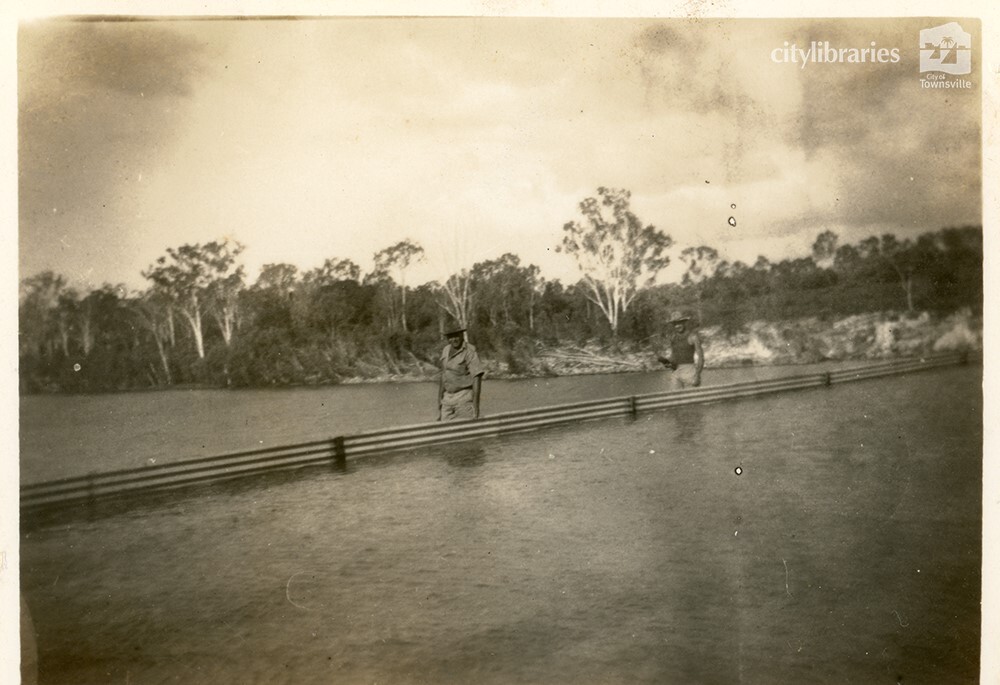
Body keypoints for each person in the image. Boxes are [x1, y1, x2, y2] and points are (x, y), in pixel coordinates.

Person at [438, 324, 484, 421]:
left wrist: (475, 406)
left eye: (456, 336)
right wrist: (439, 399)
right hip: (447, 399)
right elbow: (444, 375)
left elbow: (477, 378)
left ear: (462, 335)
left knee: (466, 431)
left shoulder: (469, 352)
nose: (454, 339)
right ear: (447, 338)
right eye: (450, 337)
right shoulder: (445, 350)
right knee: (445, 432)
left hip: (464, 398)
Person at [657, 311, 704, 389]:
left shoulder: (692, 337)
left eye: (680, 323)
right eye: (675, 324)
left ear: (684, 323)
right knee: (675, 398)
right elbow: (674, 355)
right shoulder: (673, 338)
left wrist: (697, 375)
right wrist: (668, 363)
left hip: (689, 371)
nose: (677, 326)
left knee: (692, 398)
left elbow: (701, 357)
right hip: (676, 372)